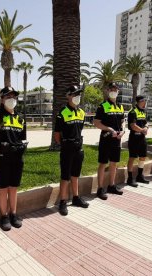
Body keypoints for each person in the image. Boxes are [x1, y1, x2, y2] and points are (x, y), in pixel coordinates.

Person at [0, 87, 26, 231]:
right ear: (2, 99)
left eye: (14, 97)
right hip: (1, 159)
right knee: (3, 188)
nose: (12, 99)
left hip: (17, 159)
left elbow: (22, 139)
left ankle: (13, 214)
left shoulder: (20, 119)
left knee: (13, 188)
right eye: (8, 97)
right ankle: (4, 216)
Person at [54, 85, 89, 216]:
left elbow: (79, 131)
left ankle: (75, 198)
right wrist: (65, 145)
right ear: (68, 96)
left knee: (75, 175)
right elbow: (57, 135)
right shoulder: (62, 112)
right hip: (67, 150)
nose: (77, 97)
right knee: (65, 177)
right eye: (74, 94)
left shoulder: (81, 112)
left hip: (79, 149)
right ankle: (63, 202)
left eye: (78, 94)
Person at [93, 82, 125, 200]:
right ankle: (100, 189)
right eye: (112, 89)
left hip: (117, 139)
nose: (114, 91)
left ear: (118, 91)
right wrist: (109, 129)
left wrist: (123, 131)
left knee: (114, 163)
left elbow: (122, 121)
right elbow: (96, 123)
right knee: (103, 163)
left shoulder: (120, 107)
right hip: (106, 139)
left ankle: (111, 185)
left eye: (116, 89)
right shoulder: (102, 106)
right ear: (108, 90)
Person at [126, 95, 150, 186]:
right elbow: (132, 125)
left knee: (143, 157)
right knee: (132, 157)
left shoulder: (143, 112)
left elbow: (146, 122)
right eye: (144, 101)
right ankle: (130, 178)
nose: (145, 103)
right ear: (140, 101)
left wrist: (146, 127)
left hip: (142, 138)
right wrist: (142, 130)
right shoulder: (132, 112)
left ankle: (140, 176)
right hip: (134, 138)